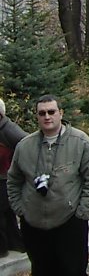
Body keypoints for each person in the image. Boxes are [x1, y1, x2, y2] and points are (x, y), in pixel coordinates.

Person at [8, 95, 89, 276]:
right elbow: (13, 180)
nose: (47, 117)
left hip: (69, 222)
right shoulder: (24, 146)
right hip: (34, 225)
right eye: (42, 113)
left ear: (61, 113)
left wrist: (82, 214)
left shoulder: (81, 142)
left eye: (51, 112)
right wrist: (21, 209)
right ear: (37, 116)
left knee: (73, 270)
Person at [0, 99, 28, 256]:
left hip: (6, 179)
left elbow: (28, 145)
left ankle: (2, 248)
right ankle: (16, 243)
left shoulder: (10, 130)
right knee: (7, 214)